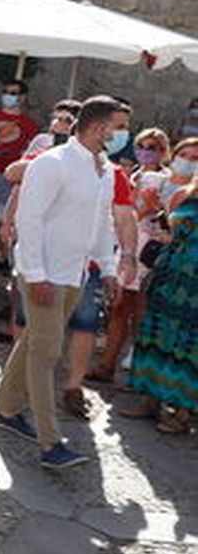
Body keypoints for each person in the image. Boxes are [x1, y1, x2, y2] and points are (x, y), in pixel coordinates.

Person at [0, 96, 132, 469]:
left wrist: (107, 267)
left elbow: (101, 224)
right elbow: (31, 219)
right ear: (98, 127)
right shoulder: (52, 164)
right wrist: (36, 275)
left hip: (75, 275)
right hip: (44, 274)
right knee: (46, 351)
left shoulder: (104, 170)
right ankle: (49, 442)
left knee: (34, 343)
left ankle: (5, 410)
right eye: (119, 126)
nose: (123, 134)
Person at [123, 147, 198, 433]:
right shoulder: (184, 195)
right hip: (171, 273)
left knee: (189, 346)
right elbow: (170, 228)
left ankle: (182, 412)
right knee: (156, 334)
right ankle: (149, 400)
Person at [91, 129, 173, 383]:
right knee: (118, 308)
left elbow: (144, 212)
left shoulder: (165, 179)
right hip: (126, 246)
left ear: (163, 152)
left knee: (139, 312)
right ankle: (107, 365)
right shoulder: (134, 174)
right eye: (142, 145)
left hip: (146, 250)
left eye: (154, 147)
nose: (147, 151)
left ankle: (137, 373)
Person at [0, 79, 38, 207]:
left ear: (22, 97)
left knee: (3, 213)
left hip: (9, 175)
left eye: (12, 93)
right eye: (5, 92)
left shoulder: (29, 124)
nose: (7, 96)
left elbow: (31, 149)